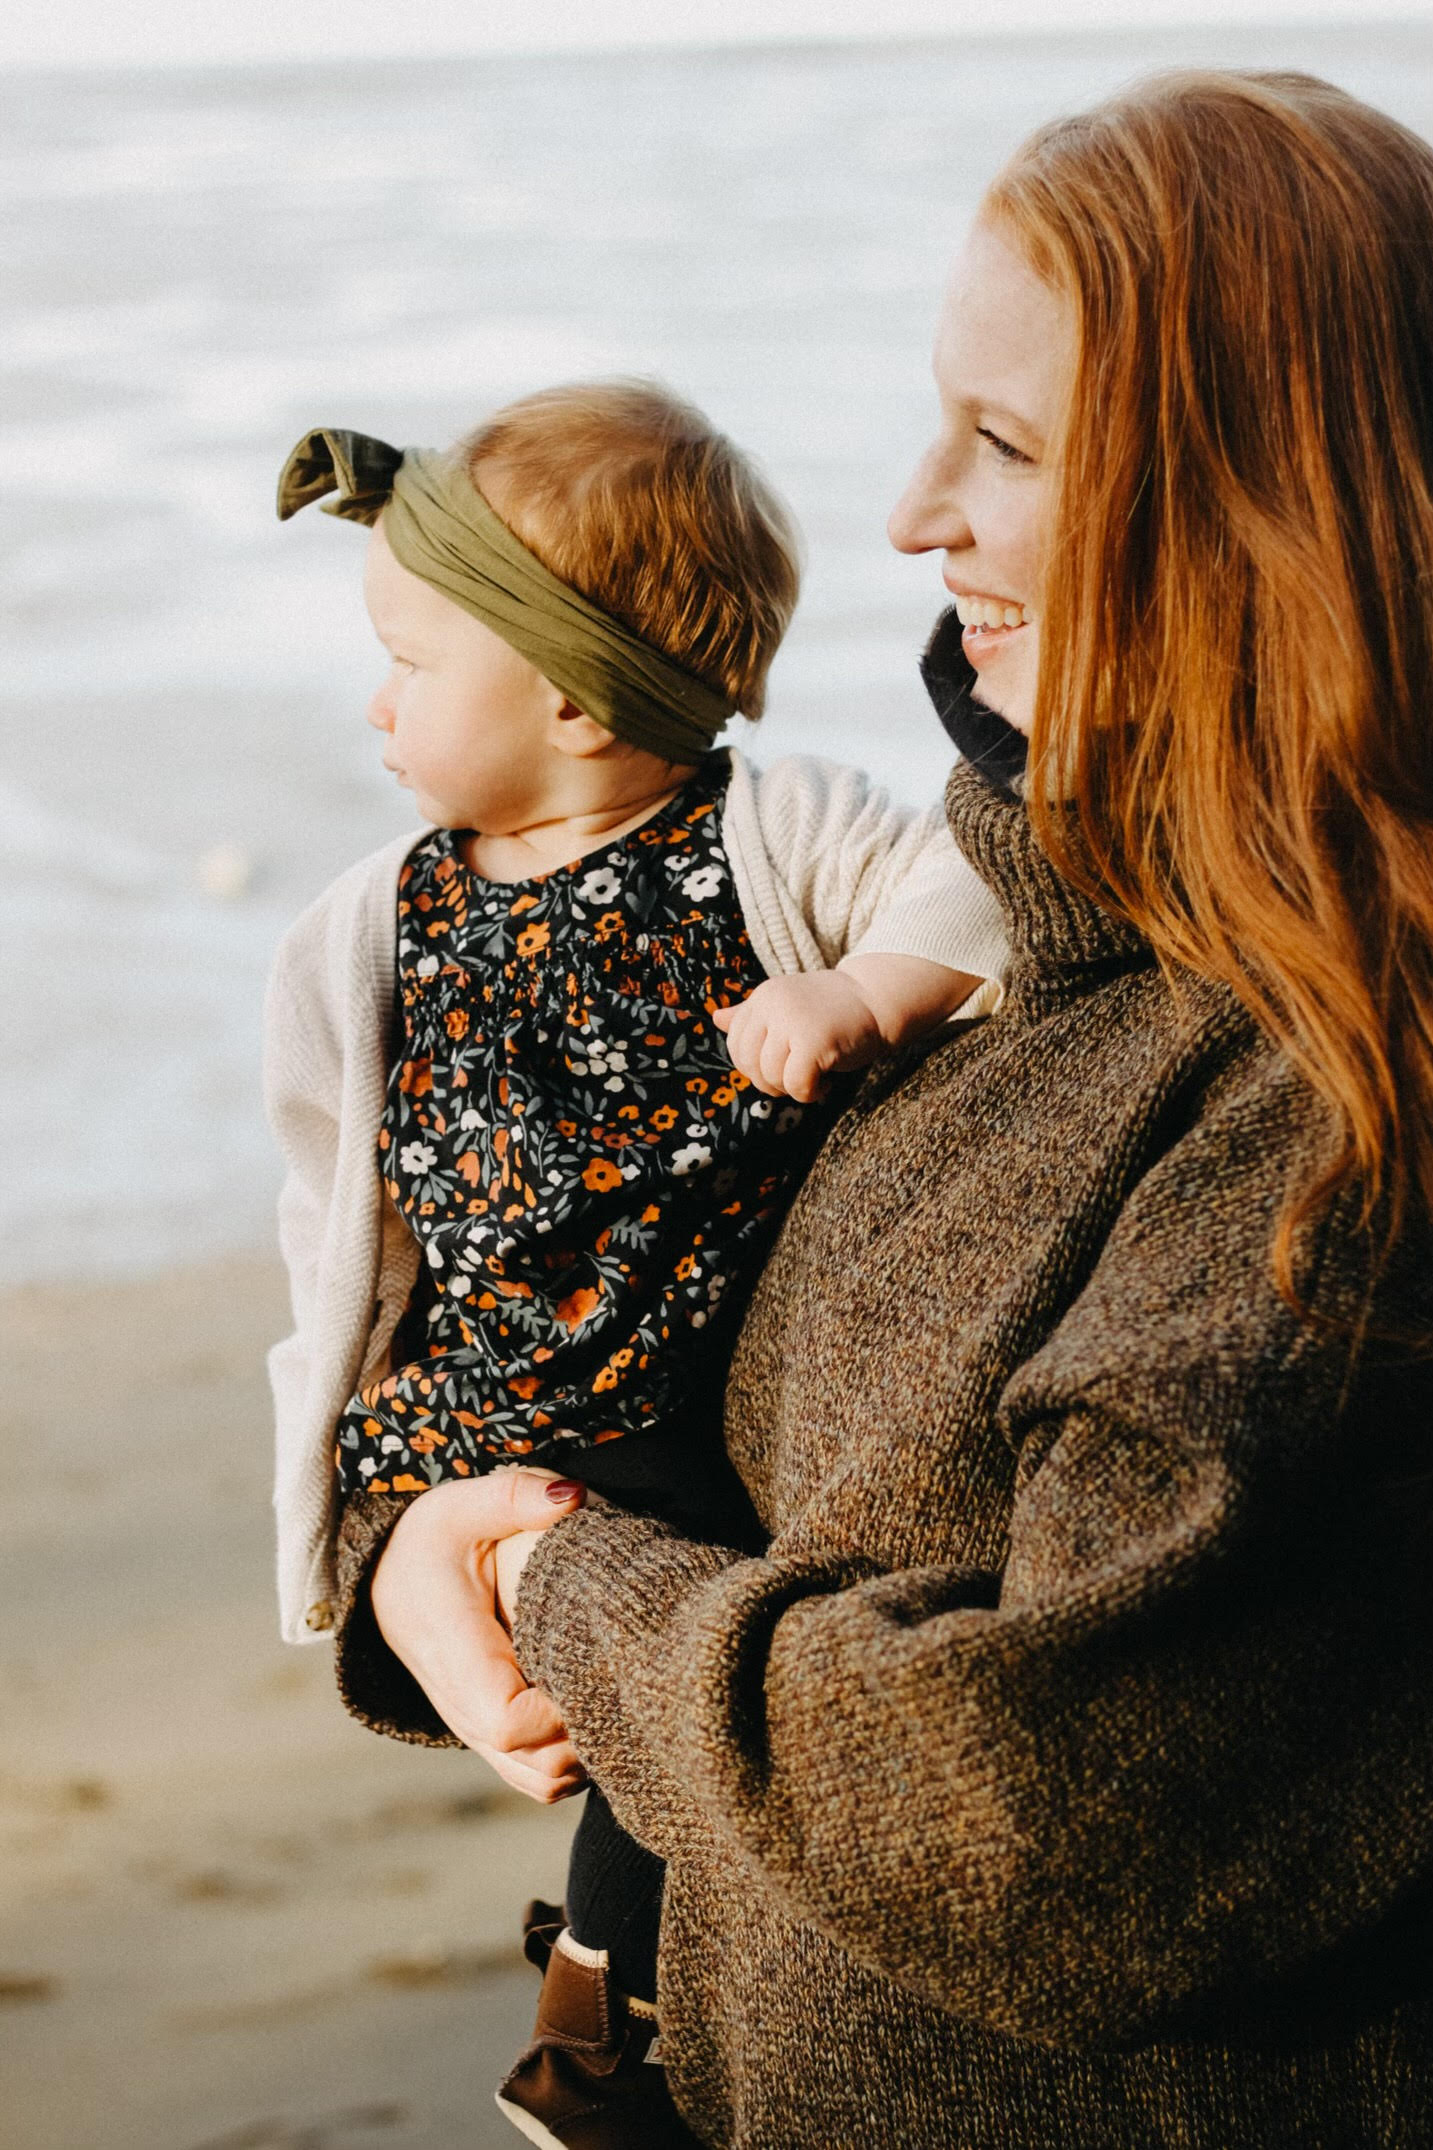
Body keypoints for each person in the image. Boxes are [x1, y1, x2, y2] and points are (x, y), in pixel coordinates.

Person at [327, 68, 1433, 2148]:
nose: (915, 512)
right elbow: (682, 1368)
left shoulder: (1343, 1106)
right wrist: (416, 1554)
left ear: (1263, 509)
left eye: (1004, 444)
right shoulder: (1002, 981)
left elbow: (1063, 1805)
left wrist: (556, 1588)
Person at [264, 382, 1009, 2145]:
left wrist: (857, 994)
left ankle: (602, 2004)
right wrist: (346, 1495)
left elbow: (978, 882)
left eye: (411, 663)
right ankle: (614, 1988)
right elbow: (335, 1216)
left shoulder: (781, 832)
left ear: (575, 701)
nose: (376, 700)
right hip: (477, 1392)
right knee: (576, 1704)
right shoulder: (368, 920)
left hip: (682, 1400)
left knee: (670, 1728)